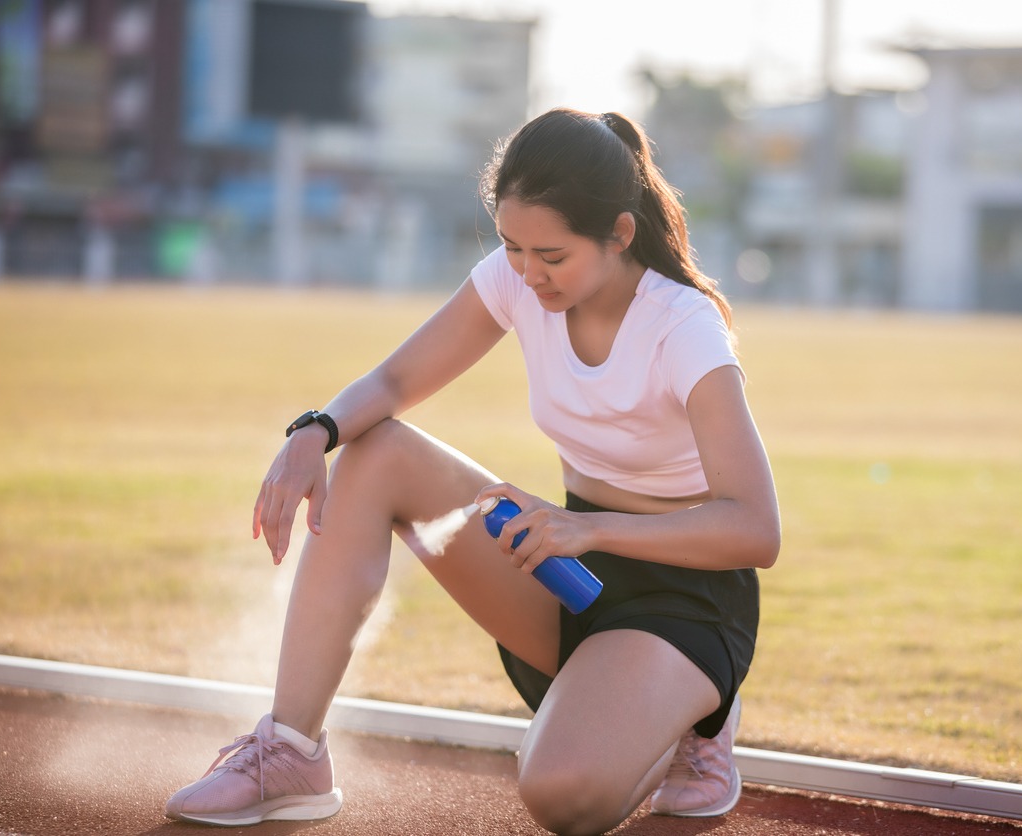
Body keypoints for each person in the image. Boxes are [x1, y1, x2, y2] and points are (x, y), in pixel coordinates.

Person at [165, 108, 780, 835]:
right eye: (514, 248)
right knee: (376, 450)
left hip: (683, 600)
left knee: (562, 797)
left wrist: (586, 528)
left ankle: (697, 720)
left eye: (551, 256)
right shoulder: (519, 279)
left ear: (619, 234)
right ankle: (292, 750)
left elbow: (755, 529)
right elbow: (393, 383)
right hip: (569, 574)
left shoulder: (684, 327)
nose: (528, 273)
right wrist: (313, 432)